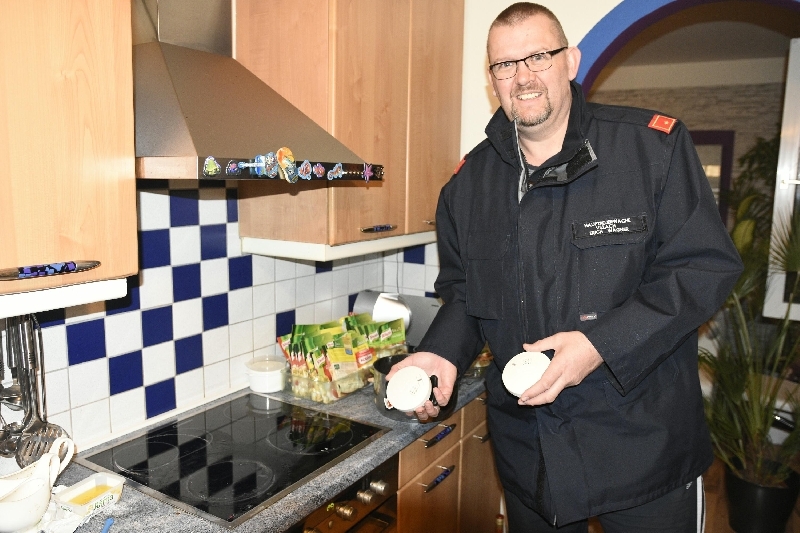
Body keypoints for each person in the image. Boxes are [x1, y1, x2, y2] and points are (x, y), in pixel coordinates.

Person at [385, 3, 744, 532]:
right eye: (505, 65)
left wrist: (600, 345)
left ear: (570, 61)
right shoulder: (466, 187)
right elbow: (464, 295)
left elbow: (704, 268)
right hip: (531, 453)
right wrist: (439, 352)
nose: (523, 76)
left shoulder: (651, 148)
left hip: (644, 447)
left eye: (539, 57)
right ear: (492, 79)